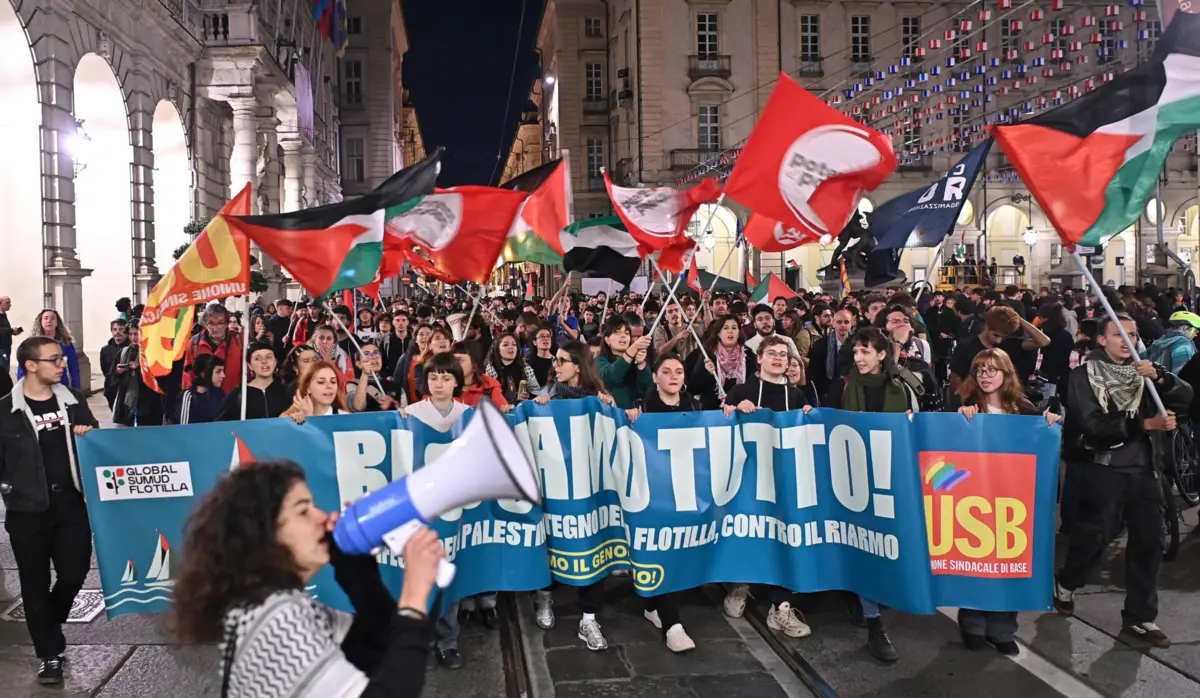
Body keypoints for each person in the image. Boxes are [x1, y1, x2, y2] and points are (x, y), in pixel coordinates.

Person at [169, 460, 444, 698]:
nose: (321, 517)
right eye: (303, 511)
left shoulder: (275, 605)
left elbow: (379, 646)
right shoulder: (276, 618)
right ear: (263, 534)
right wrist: (414, 596)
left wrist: (353, 565)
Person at [1055, 313, 1192, 648]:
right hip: (1104, 472)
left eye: (1132, 334)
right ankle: (1066, 582)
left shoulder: (1144, 371)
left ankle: (1139, 616)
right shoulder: (1083, 375)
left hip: (1146, 472)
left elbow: (1186, 396)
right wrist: (1144, 425)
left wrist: (1162, 379)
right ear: (1102, 339)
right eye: (1119, 334)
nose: (1127, 340)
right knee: (1094, 540)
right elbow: (1092, 425)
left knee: (1149, 544)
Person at [0, 336, 99, 684]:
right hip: (27, 512)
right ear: (30, 365)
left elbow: (95, 438)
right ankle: (49, 653)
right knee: (34, 583)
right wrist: (10, 489)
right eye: (53, 359)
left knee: (75, 571)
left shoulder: (73, 401)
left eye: (61, 358)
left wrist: (88, 432)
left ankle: (47, 621)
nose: (62, 364)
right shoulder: (5, 412)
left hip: (70, 503)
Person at [949, 348, 1060, 654]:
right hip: (973, 499)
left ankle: (1002, 629)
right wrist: (960, 421)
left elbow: (1039, 444)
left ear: (1006, 373)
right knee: (975, 562)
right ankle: (972, 625)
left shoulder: (1024, 409)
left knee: (1009, 564)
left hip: (1012, 500)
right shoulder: (963, 405)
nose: (985, 376)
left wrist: (1049, 423)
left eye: (992, 370)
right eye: (980, 370)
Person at [824, 327, 920, 662]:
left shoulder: (903, 388)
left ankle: (866, 594)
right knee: (862, 541)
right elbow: (825, 425)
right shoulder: (842, 385)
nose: (859, 357)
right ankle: (873, 621)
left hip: (889, 476)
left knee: (882, 542)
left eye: (865, 351)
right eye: (855, 352)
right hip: (850, 478)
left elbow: (917, 429)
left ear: (882, 354)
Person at [720, 336, 814, 639]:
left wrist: (811, 416)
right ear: (759, 358)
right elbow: (719, 423)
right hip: (749, 478)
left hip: (785, 478)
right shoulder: (742, 390)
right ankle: (742, 583)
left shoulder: (796, 395)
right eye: (771, 353)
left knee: (784, 537)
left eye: (783, 355)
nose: (778, 358)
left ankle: (780, 606)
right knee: (749, 531)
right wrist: (733, 408)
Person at [533, 341, 615, 650]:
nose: (555, 365)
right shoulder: (549, 395)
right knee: (553, 541)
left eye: (561, 360)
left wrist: (611, 409)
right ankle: (544, 597)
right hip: (556, 487)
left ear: (578, 365)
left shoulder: (599, 398)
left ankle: (589, 619)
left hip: (588, 488)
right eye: (555, 360)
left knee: (592, 545)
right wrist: (538, 408)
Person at [626, 354, 699, 653]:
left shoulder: (694, 408)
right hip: (653, 496)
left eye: (679, 371)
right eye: (666, 371)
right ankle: (673, 625)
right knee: (663, 552)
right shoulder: (642, 408)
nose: (673, 376)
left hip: (685, 494)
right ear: (655, 377)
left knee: (675, 553)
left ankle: (652, 605)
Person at [217, 342, 292, 421]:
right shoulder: (238, 394)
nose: (264, 361)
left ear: (275, 362)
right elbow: (220, 424)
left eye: (268, 357)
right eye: (257, 358)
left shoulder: (287, 392)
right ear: (250, 365)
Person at [183, 304, 245, 392]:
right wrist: (190, 395)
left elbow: (248, 371)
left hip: (233, 396)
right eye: (211, 323)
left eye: (220, 323)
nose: (215, 328)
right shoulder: (194, 343)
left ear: (226, 323)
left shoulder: (240, 340)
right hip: (203, 397)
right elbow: (188, 375)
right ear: (205, 323)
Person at [17, 310, 81, 390]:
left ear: (57, 323)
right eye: (46, 318)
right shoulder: (31, 343)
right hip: (38, 386)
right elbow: (23, 367)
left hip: (60, 385)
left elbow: (74, 367)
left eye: (52, 318)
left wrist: (77, 390)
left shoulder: (65, 342)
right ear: (40, 321)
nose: (49, 321)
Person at [284, 362, 349, 423]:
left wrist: (309, 419)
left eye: (333, 382)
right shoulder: (292, 419)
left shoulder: (345, 418)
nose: (329, 386)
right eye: (321, 382)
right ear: (307, 388)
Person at [176, 354, 226, 424]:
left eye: (223, 371)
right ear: (204, 374)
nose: (223, 375)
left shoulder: (219, 394)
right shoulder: (189, 396)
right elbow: (184, 428)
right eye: (218, 372)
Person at [0, 295, 20, 396]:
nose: (10, 305)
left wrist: (13, 331)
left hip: (6, 348)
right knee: (4, 370)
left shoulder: (3, 315)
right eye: (7, 302)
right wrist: (11, 330)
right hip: (2, 349)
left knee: (5, 369)